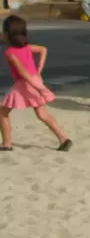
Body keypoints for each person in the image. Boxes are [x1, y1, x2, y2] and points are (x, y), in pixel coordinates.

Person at [1, 15, 72, 151]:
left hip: (25, 83)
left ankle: (6, 143)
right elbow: (43, 49)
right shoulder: (26, 47)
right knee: (42, 114)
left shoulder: (10, 52)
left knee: (2, 112)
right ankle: (64, 138)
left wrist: (39, 88)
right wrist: (39, 71)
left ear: (7, 34)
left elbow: (23, 73)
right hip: (35, 80)